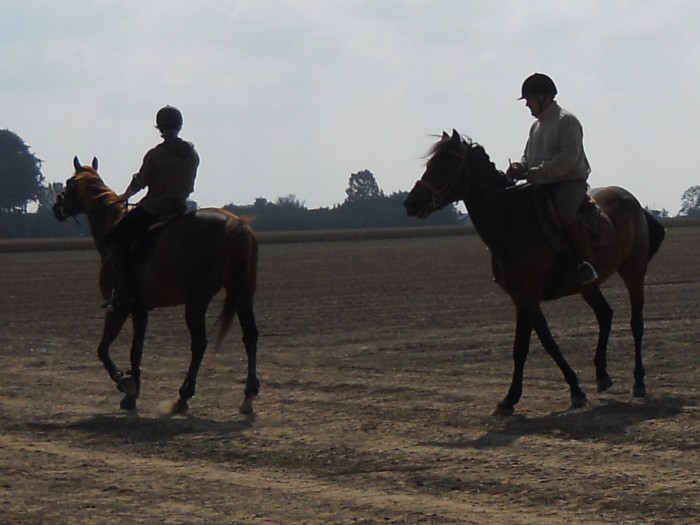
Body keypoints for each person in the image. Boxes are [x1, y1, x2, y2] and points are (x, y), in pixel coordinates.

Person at [103, 105, 200, 308]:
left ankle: (124, 291)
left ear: (160, 128)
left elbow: (140, 182)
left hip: (154, 210)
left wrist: (123, 197)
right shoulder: (192, 154)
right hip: (180, 208)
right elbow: (190, 186)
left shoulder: (155, 154)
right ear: (179, 126)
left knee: (114, 239)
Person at [506, 73, 598, 285]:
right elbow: (527, 157)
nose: (527, 104)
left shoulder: (567, 121)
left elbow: (569, 157)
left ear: (543, 97)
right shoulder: (536, 126)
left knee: (565, 212)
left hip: (568, 182)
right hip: (541, 183)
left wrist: (541, 171)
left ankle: (588, 263)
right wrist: (519, 167)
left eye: (529, 99)